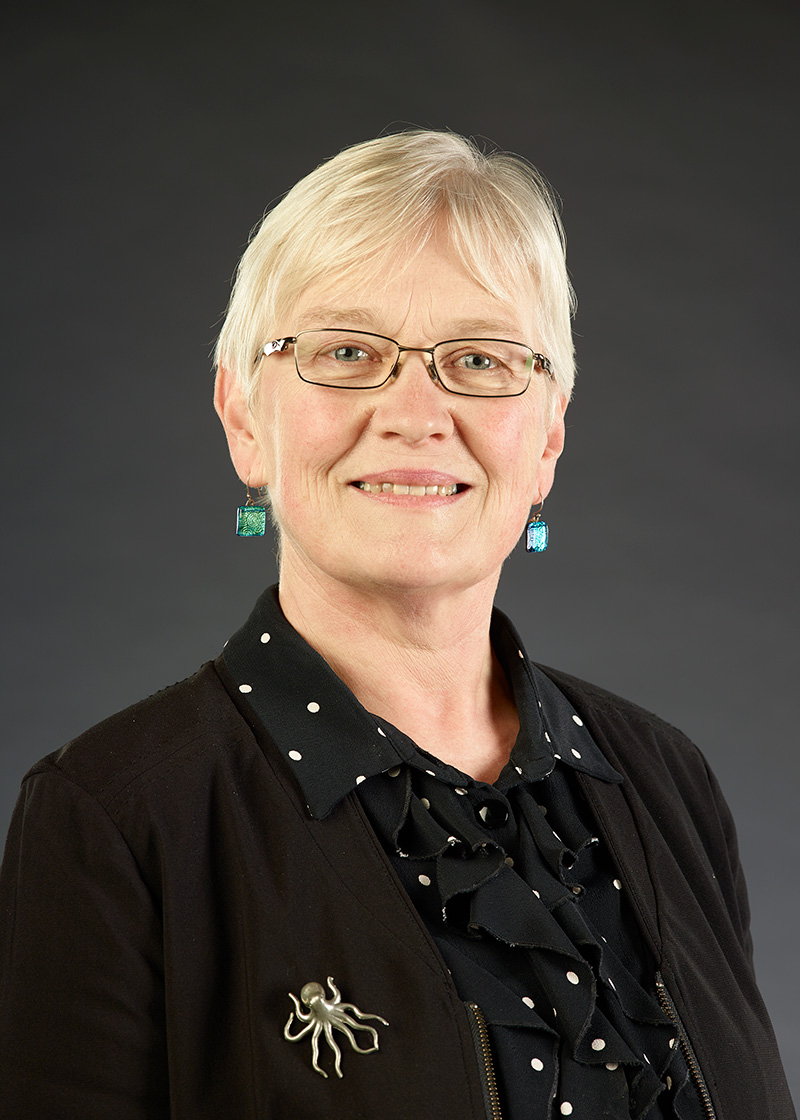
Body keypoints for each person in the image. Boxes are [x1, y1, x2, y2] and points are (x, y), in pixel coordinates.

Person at [0, 131, 793, 1120]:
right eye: (346, 353)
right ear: (244, 418)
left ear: (545, 435)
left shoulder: (664, 780)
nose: (414, 412)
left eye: (475, 358)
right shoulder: (115, 818)